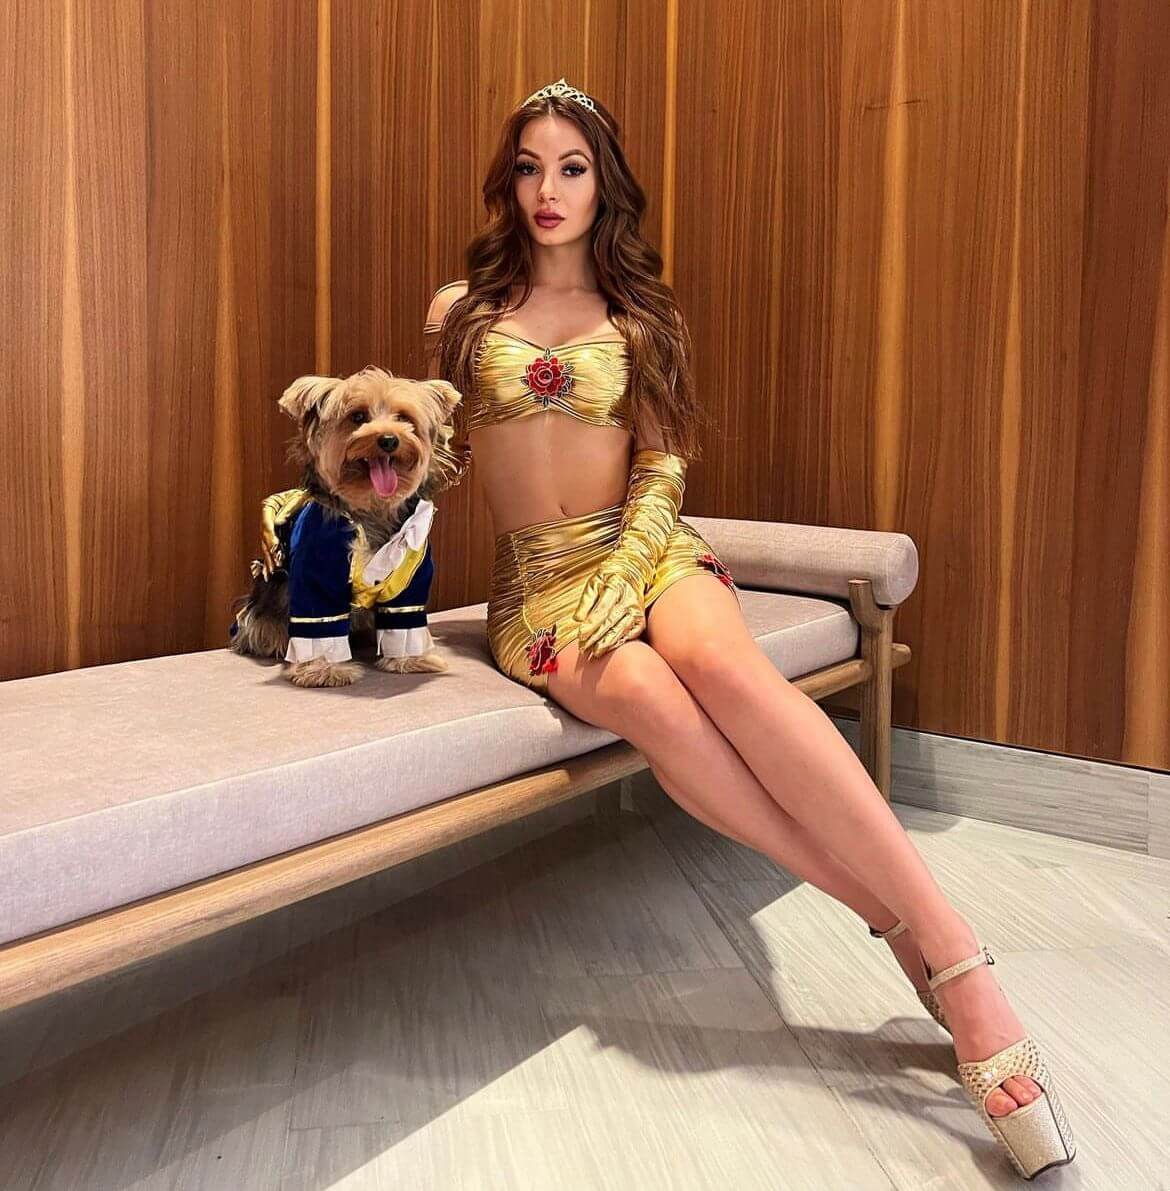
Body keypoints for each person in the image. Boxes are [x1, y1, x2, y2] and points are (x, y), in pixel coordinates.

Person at [423, 78, 1075, 1179]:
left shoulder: (643, 315)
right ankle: (893, 924)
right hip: (538, 585)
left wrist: (626, 570)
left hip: (644, 546)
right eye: (529, 167)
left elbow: (663, 465)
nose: (548, 189)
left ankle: (958, 958)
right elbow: (434, 450)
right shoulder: (460, 314)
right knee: (646, 697)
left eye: (571, 168)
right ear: (508, 180)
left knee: (721, 663)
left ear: (605, 184)